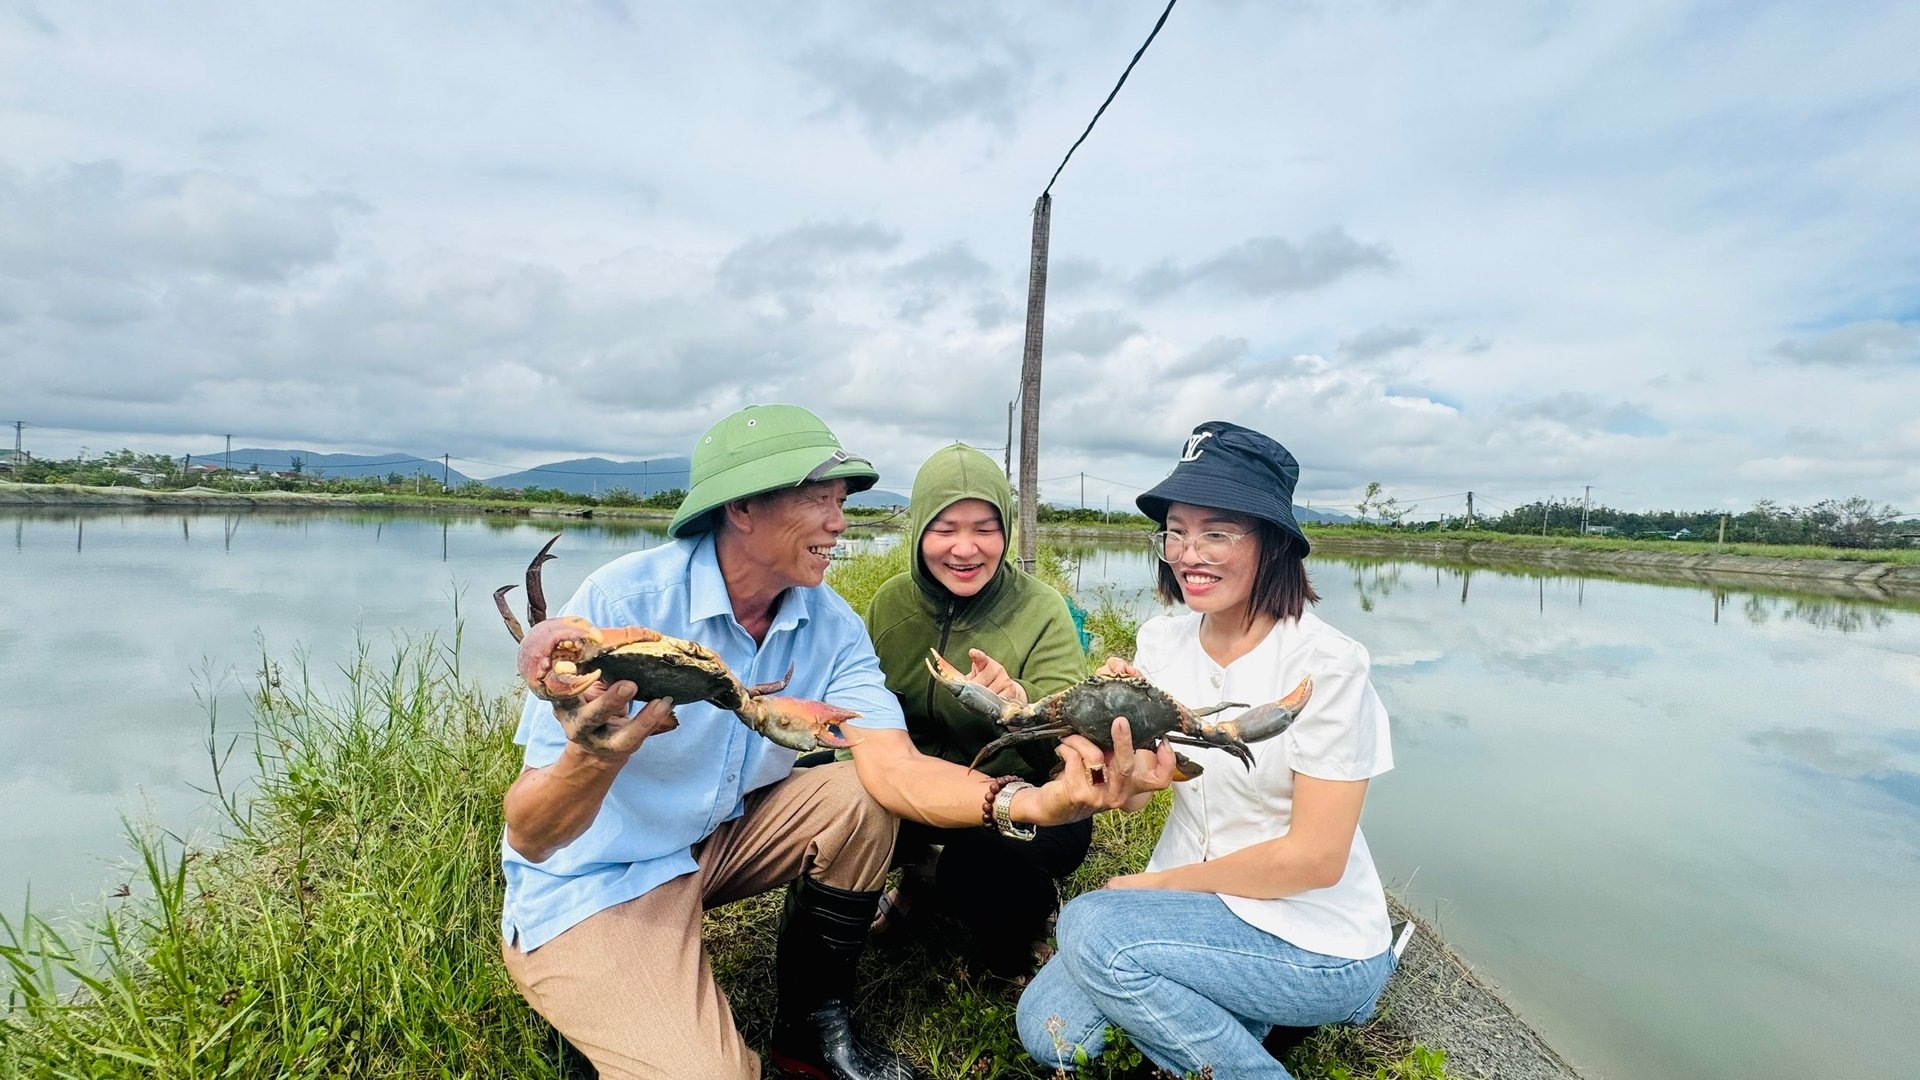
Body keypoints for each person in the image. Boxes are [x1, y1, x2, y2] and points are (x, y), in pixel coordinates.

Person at [499, 404, 1174, 1080]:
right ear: (742, 510)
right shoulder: (620, 603)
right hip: (597, 878)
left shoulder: (830, 622)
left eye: (841, 502)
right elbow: (531, 834)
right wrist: (591, 758)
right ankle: (591, 1004)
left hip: (714, 840)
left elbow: (896, 767)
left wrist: (1033, 804)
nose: (839, 522)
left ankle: (811, 1025)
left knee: (859, 792)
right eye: (819, 501)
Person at [1016, 421, 1398, 1079]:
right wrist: (1123, 768)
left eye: (1217, 532)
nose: (1188, 552)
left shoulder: (1327, 665)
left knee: (1092, 927)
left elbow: (1315, 858)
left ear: (1273, 543)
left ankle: (1266, 1043)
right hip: (1195, 919)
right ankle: (1236, 1029)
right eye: (1176, 531)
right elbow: (1135, 799)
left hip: (1313, 933)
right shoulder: (1160, 643)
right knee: (1052, 1033)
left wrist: (1154, 886)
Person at [862, 442, 1091, 977]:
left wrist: (1017, 703)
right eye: (944, 529)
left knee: (978, 868)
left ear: (1006, 530)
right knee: (828, 802)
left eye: (985, 528)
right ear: (918, 529)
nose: (965, 548)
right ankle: (917, 878)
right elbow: (861, 708)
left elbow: (1069, 742)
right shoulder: (889, 604)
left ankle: (1020, 927)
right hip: (915, 788)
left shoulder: (1042, 610)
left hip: (1018, 794)